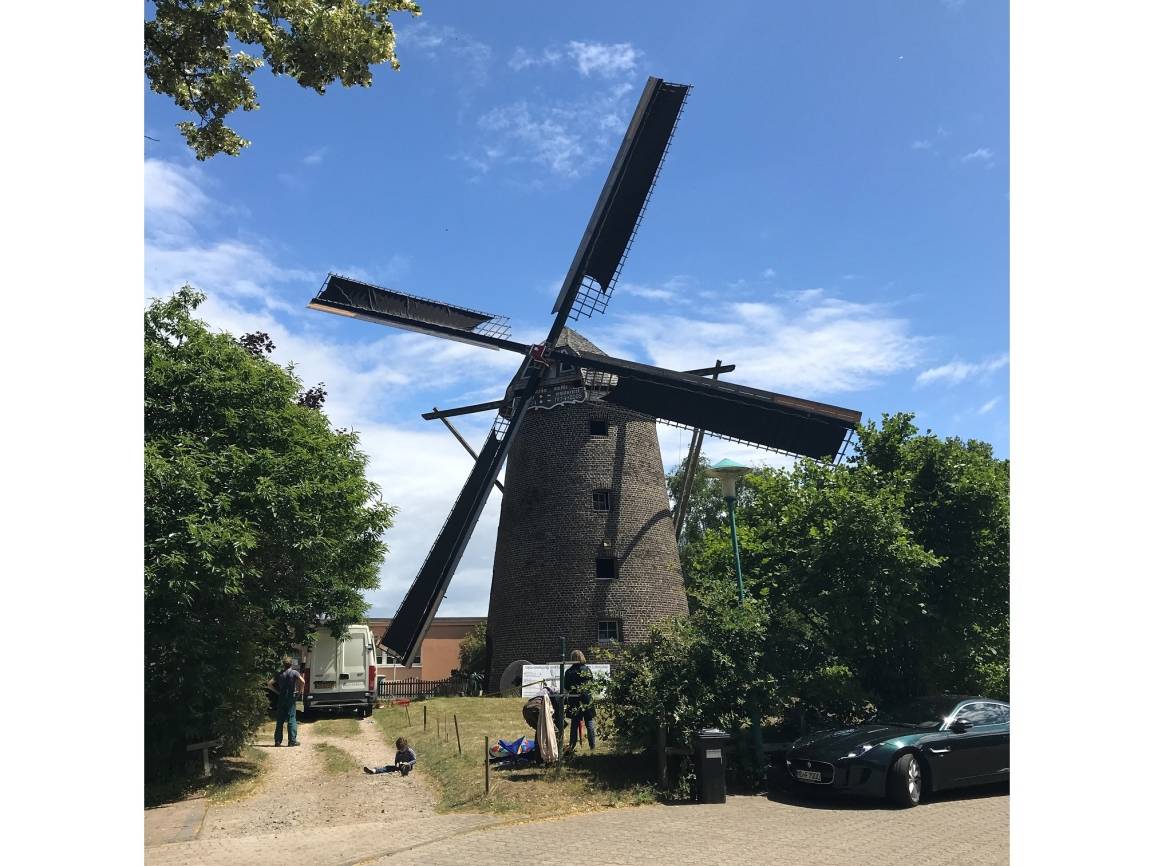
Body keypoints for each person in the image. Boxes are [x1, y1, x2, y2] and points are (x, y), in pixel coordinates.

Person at [563, 650, 596, 752]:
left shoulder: (568, 672)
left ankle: (572, 745)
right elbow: (591, 684)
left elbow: (566, 687)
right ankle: (592, 746)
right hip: (586, 698)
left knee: (574, 724)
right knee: (589, 722)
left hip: (574, 699)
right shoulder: (587, 670)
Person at [268, 656, 304, 747]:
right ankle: (292, 741)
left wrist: (277, 692)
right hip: (291, 697)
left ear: (283, 664)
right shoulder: (294, 672)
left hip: (281, 697)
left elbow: (269, 684)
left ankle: (277, 741)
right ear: (291, 664)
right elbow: (303, 681)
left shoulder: (279, 674)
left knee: (280, 719)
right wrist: (300, 692)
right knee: (291, 718)